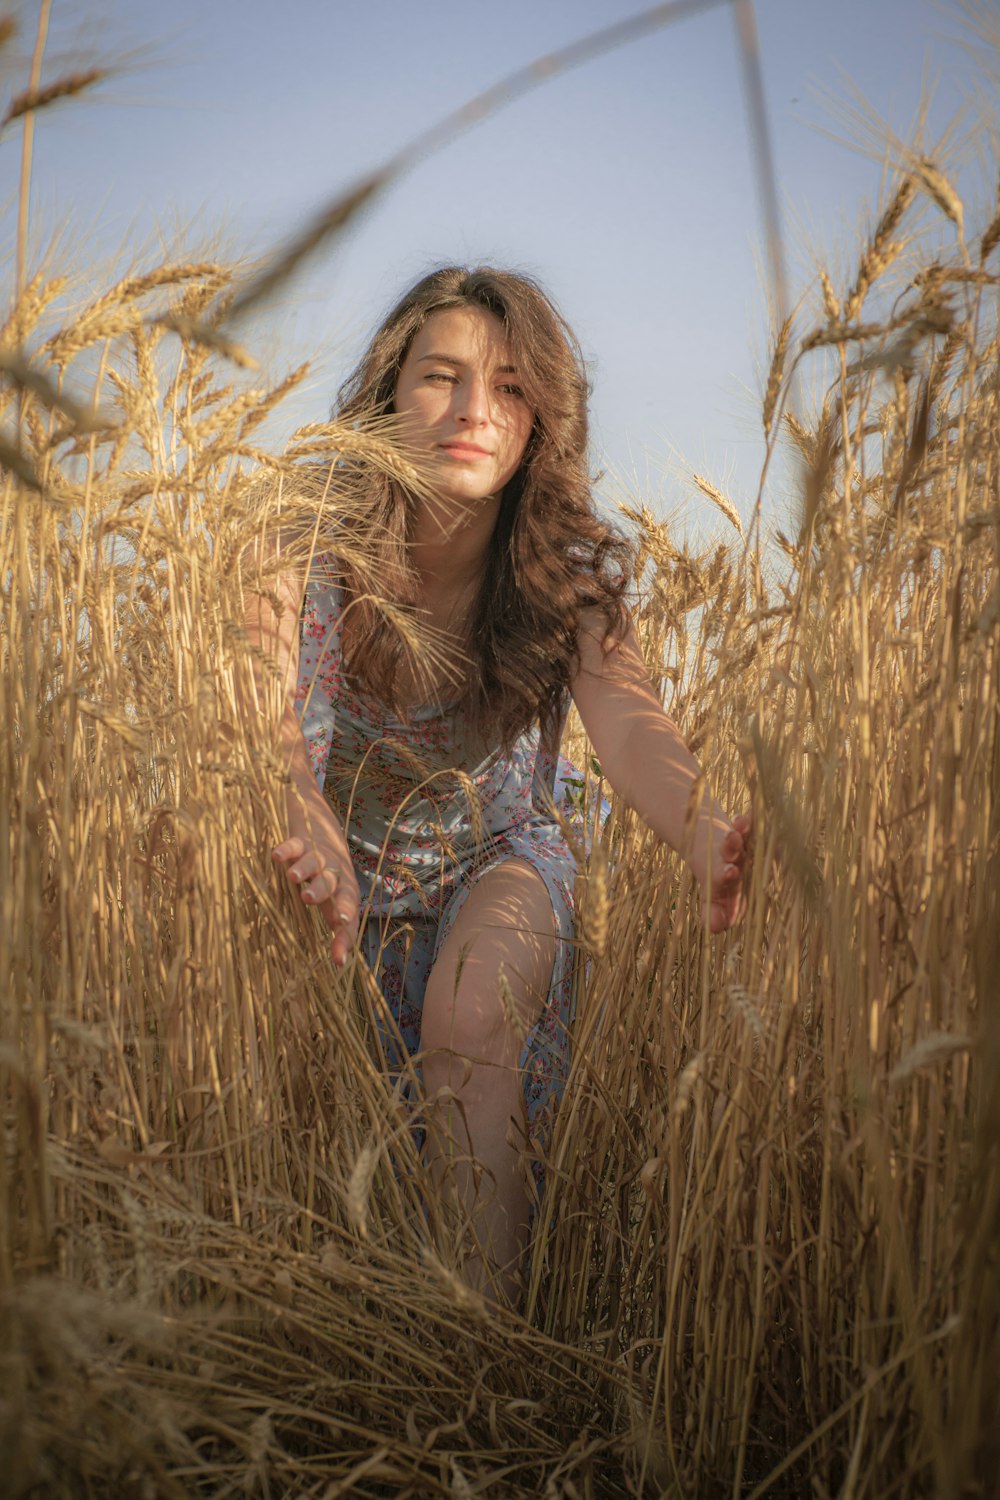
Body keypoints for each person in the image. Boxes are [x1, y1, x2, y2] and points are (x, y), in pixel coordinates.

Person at [248, 267, 750, 1306]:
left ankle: (474, 1347)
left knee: (472, 1010)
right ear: (388, 394)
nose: (477, 411)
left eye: (513, 387)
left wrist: (707, 834)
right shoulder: (302, 541)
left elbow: (630, 725)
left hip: (496, 856)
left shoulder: (562, 575)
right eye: (442, 376)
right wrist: (298, 808)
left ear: (542, 423)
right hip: (326, 865)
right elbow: (254, 704)